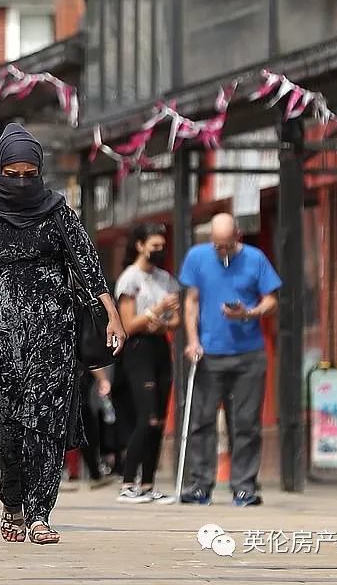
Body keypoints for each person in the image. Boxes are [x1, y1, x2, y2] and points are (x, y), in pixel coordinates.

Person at [0, 123, 125, 545]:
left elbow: (88, 266)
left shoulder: (58, 213)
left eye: (30, 174)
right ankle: (13, 500)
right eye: (11, 173)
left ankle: (40, 514)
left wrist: (113, 316)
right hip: (2, 332)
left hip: (56, 330)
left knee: (46, 421)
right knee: (9, 423)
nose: (21, 182)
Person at [179, 213, 281, 507]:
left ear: (238, 236)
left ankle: (244, 486)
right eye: (216, 245)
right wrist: (193, 340)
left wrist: (248, 313)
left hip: (248, 353)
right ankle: (200, 484)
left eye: (226, 245)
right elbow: (192, 302)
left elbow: (271, 301)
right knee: (202, 420)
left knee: (246, 422)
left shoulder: (255, 258)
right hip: (209, 353)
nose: (221, 251)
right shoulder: (197, 257)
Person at [113, 223, 181, 504]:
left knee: (160, 420)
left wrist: (160, 321)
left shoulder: (166, 279)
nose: (159, 251)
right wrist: (156, 312)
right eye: (154, 246)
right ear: (140, 245)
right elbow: (128, 324)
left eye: (162, 246)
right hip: (137, 351)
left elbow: (174, 321)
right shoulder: (130, 279)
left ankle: (149, 483)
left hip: (160, 348)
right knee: (147, 416)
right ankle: (128, 481)